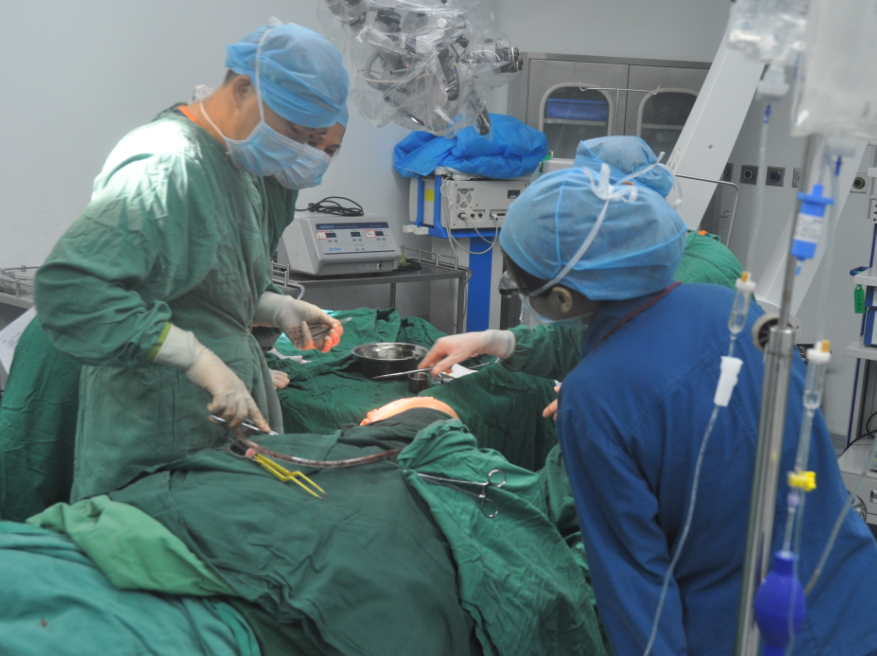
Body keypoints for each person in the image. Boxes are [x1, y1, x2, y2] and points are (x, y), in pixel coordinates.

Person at [478, 136, 877, 655]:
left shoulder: (593, 398)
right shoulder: (734, 309)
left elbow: (634, 581)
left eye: (520, 281)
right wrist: (504, 343)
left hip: (743, 631)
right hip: (851, 593)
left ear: (560, 298)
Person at [32, 23, 350, 504]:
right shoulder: (166, 162)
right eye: (292, 133)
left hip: (211, 420)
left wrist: (274, 307)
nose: (296, 150)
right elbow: (73, 290)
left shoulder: (236, 163)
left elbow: (203, 285)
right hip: (154, 424)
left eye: (312, 140)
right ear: (242, 89)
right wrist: (196, 358)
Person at [419, 137, 744, 421]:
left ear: (626, 195)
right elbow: (584, 340)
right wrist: (497, 341)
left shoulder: (694, 278)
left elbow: (641, 368)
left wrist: (607, 394)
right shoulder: (629, 271)